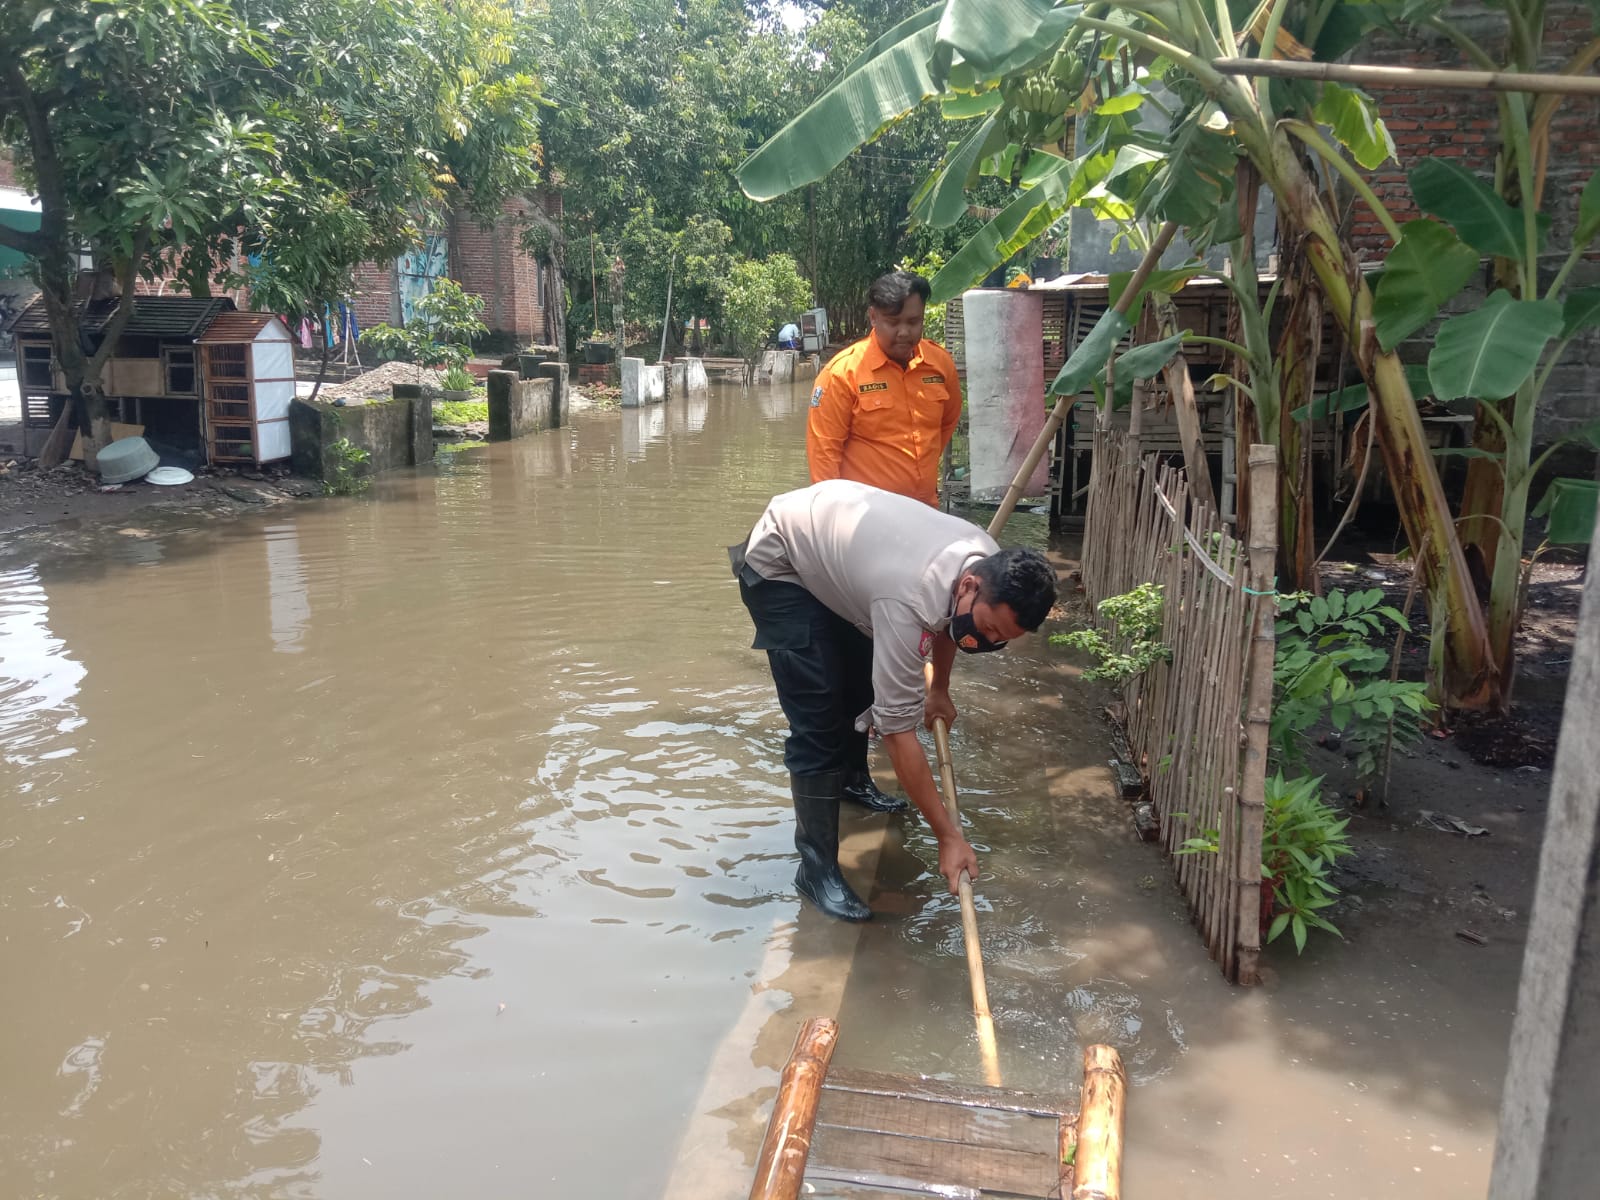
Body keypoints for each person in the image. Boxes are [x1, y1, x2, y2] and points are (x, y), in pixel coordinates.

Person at [730, 479, 1057, 921]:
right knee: (819, 717)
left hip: (843, 553)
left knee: (864, 683)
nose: (986, 641)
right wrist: (948, 837)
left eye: (1000, 640)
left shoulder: (981, 552)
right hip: (782, 558)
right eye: (989, 629)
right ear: (970, 586)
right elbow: (897, 729)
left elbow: (950, 623)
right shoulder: (908, 599)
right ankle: (816, 869)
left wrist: (938, 690)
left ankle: (849, 781)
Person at [805, 269, 964, 815]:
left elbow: (946, 427)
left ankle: (888, 734)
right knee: (853, 663)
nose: (905, 333)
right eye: (894, 323)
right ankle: (852, 772)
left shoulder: (939, 366)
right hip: (862, 545)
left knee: (911, 641)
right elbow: (823, 472)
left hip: (924, 536)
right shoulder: (843, 375)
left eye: (915, 321)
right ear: (873, 318)